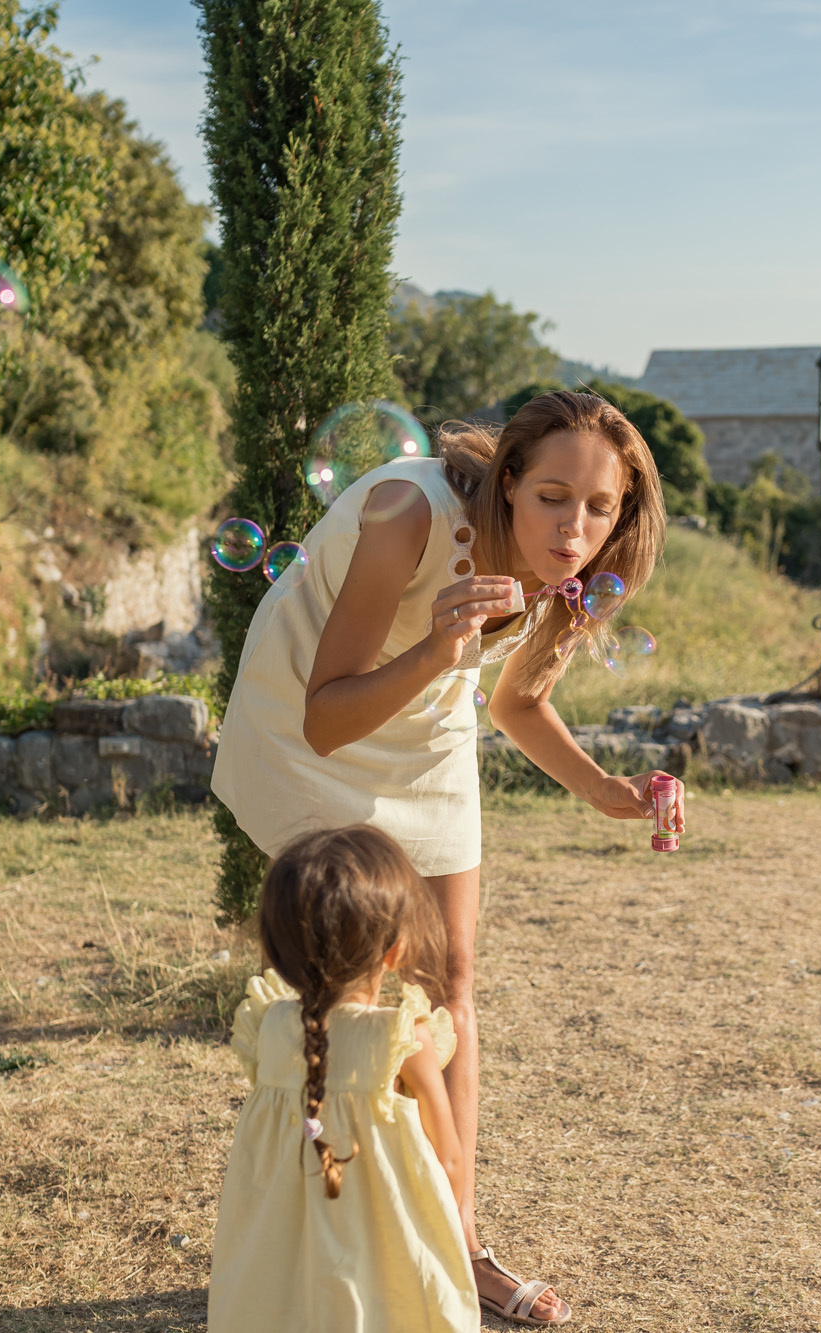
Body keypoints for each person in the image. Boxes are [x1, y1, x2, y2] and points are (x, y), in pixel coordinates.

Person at [212, 389, 681, 1324]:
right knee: (358, 995)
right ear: (507, 482)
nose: (574, 527)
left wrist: (605, 791)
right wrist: (437, 648)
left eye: (600, 507)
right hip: (316, 727)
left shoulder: (571, 572)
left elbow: (514, 702)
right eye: (553, 496)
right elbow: (328, 712)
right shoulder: (406, 516)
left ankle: (460, 1246)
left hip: (427, 724)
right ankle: (330, 1230)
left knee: (455, 978)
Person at [209, 825, 483, 1331]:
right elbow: (448, 1158)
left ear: (280, 947)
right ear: (396, 949)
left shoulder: (268, 1026)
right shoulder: (405, 1039)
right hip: (382, 1244)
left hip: (285, 1247)